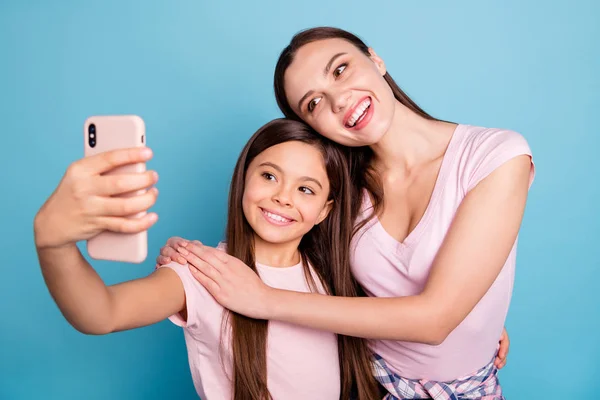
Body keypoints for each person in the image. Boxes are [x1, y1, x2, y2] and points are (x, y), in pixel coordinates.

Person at [157, 27, 534, 399]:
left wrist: (476, 317)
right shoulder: (336, 189)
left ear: (375, 59)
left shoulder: (495, 156)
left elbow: (436, 320)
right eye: (314, 103)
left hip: (466, 388)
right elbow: (292, 258)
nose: (338, 100)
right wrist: (192, 261)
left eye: (340, 70)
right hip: (359, 379)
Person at [34, 119, 381, 400]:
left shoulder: (332, 275)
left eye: (305, 189)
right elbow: (101, 313)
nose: (282, 197)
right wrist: (54, 245)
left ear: (325, 210)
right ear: (244, 178)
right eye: (269, 176)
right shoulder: (202, 271)